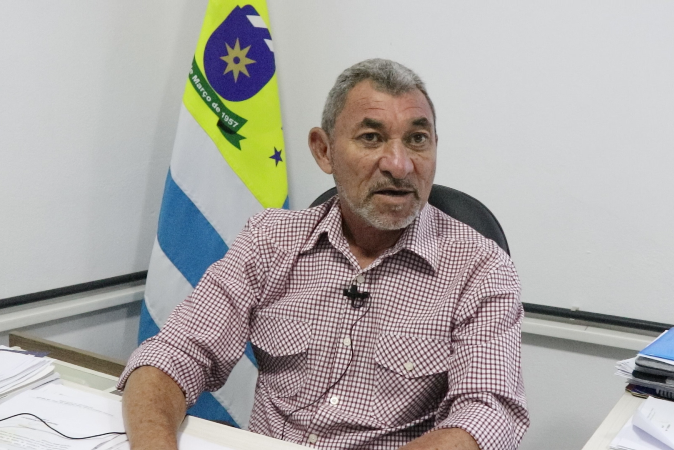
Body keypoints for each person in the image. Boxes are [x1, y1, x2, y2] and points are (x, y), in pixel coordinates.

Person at [118, 59, 529, 450]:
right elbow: (173, 355)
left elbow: (488, 414)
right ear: (324, 150)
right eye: (371, 138)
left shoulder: (480, 267)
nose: (400, 165)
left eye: (417, 139)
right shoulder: (269, 241)